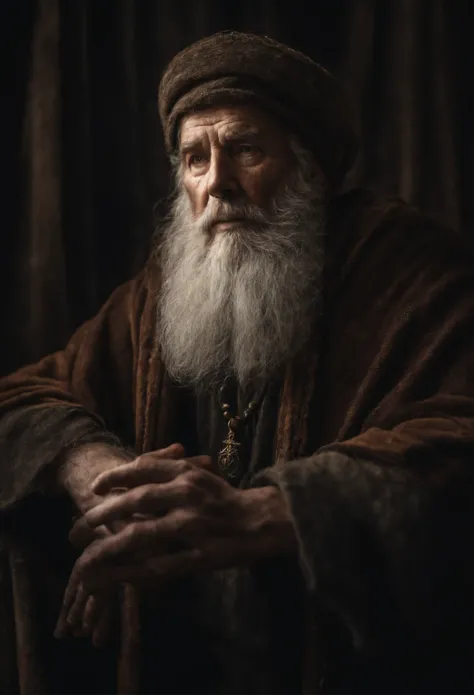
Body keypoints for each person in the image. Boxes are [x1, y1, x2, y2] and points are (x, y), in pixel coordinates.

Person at [0, 30, 473, 695]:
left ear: (308, 169)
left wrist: (267, 512)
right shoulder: (160, 294)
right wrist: (100, 475)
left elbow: (457, 450)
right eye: (195, 158)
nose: (217, 183)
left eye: (246, 150)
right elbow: (20, 398)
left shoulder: (409, 271)